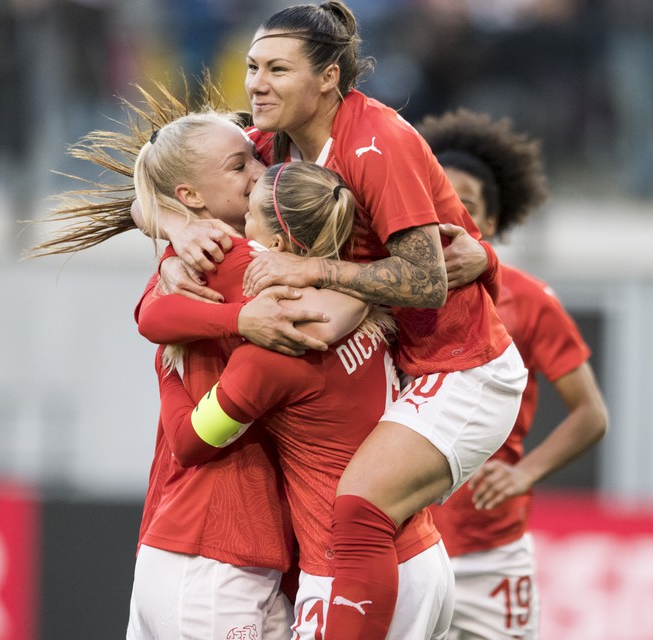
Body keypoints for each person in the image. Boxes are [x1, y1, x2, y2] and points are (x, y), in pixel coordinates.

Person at [143, 4, 528, 637]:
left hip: (465, 371)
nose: (257, 83)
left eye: (277, 69)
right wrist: (176, 226)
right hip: (405, 370)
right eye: (252, 66)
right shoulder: (270, 143)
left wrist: (317, 274)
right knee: (358, 515)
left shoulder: (381, 141)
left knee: (356, 508)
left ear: (329, 78)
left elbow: (427, 281)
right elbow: (154, 176)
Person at [29, 89, 363, 639]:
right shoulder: (237, 263)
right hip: (214, 550)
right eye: (241, 165)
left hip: (202, 547)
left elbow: (152, 313)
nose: (262, 170)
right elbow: (158, 333)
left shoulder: (206, 253)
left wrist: (167, 229)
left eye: (257, 158)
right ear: (190, 194)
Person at [157, 160, 454, 639]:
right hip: (425, 560)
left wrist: (168, 372)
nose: (239, 227)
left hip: (349, 576)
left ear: (274, 245)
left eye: (249, 216)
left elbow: (188, 443)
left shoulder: (278, 346)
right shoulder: (361, 297)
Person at [416, 108, 609, 639]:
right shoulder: (384, 291)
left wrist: (525, 474)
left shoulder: (528, 301)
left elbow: (591, 414)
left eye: (467, 205)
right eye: (437, 200)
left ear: (492, 224)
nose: (448, 215)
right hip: (401, 543)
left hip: (487, 554)